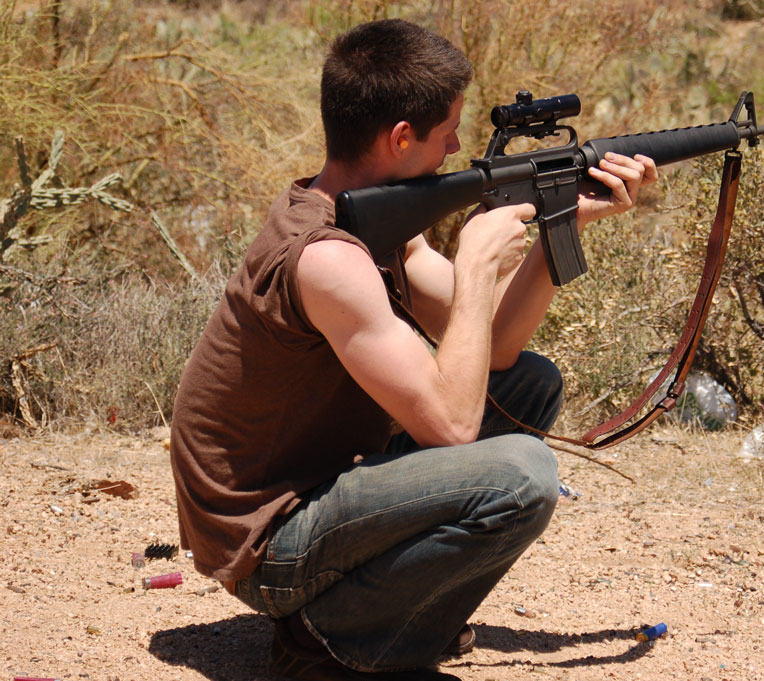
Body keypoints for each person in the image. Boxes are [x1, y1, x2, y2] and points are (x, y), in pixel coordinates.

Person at [169, 17, 657, 681]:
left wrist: (557, 229)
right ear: (401, 137)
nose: (457, 146)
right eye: (448, 131)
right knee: (524, 475)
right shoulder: (328, 259)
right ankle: (329, 638)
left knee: (528, 385)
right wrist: (477, 262)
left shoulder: (367, 217)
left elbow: (495, 349)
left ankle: (383, 613)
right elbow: (451, 426)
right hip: (266, 543)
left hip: (315, 491)